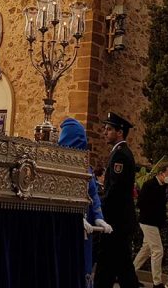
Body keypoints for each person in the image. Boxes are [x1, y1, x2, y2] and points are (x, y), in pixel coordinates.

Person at [57, 118, 112, 287]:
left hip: (86, 224)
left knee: (84, 264)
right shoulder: (58, 165)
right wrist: (73, 217)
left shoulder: (85, 168)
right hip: (63, 226)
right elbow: (58, 195)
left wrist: (98, 217)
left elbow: (93, 194)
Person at [95, 112, 139, 288]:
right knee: (119, 265)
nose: (105, 132)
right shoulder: (120, 152)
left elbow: (115, 189)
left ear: (120, 132)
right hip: (119, 220)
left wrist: (99, 207)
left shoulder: (120, 155)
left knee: (112, 262)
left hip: (116, 220)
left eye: (109, 129)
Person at [133, 162, 168, 288]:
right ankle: (157, 283)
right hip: (148, 221)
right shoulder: (149, 185)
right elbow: (141, 203)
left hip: (155, 223)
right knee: (158, 251)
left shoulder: (163, 186)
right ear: (161, 174)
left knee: (145, 250)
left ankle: (128, 274)